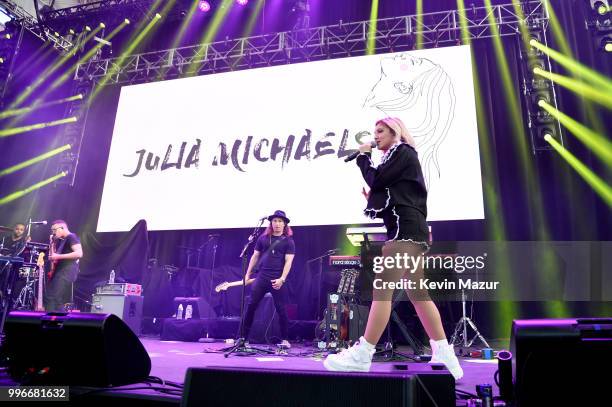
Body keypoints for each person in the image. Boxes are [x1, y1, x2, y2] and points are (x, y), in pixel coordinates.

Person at [324, 117, 463, 380]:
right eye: (375, 132)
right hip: (412, 231)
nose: (375, 137)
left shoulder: (402, 151)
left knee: (382, 289)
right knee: (418, 294)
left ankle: (363, 353)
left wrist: (362, 158)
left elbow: (377, 179)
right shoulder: (400, 158)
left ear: (394, 132)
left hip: (406, 234)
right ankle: (445, 355)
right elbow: (394, 195)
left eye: (380, 131)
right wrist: (375, 198)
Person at [241, 210, 295, 347]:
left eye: (280, 221)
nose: (277, 224)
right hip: (262, 277)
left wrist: (282, 279)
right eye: (275, 221)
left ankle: (285, 340)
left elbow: (289, 262)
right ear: (271, 223)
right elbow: (255, 256)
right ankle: (243, 338)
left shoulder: (288, 241)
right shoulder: (263, 239)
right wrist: (248, 274)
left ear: (285, 224)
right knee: (251, 306)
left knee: (281, 309)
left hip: (277, 279)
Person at [45, 220, 83, 311]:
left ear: (62, 228)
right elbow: (52, 258)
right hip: (62, 271)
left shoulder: (71, 237)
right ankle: (58, 321)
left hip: (66, 272)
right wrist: (52, 242)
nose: (53, 233)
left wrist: (58, 256)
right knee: (56, 299)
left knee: (51, 297)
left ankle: (50, 321)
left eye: (54, 230)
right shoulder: (63, 240)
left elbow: (79, 253)